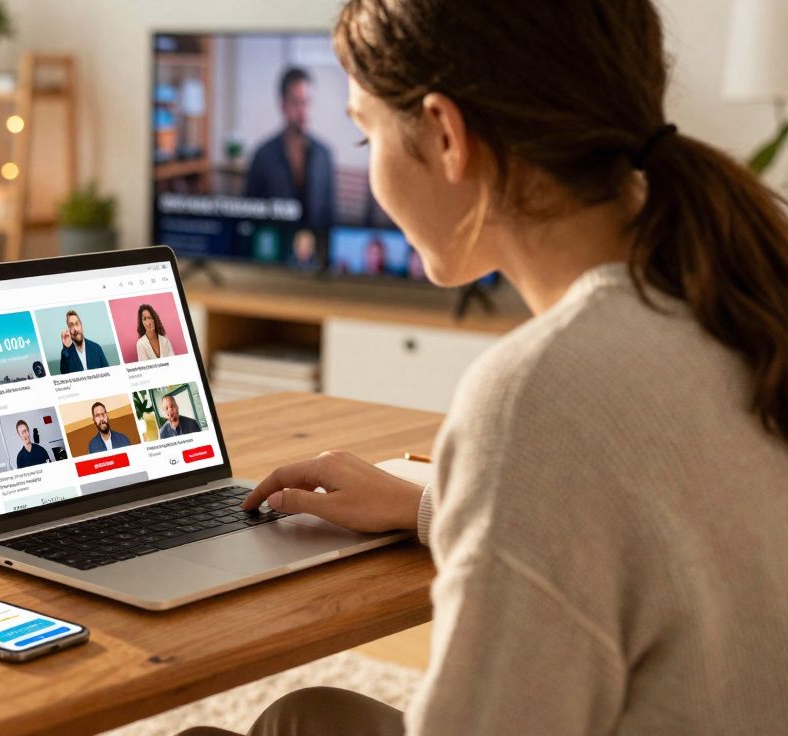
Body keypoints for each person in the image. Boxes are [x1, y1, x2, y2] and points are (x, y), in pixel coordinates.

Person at [182, 1, 788, 734]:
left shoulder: (542, 392)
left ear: (444, 134)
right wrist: (439, 504)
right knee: (307, 714)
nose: (364, 161)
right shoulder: (739, 292)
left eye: (362, 131)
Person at [245, 67, 336, 234]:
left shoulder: (324, 155)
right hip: (275, 250)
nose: (303, 111)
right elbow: (249, 215)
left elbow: (329, 215)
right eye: (296, 103)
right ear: (283, 105)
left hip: (315, 251)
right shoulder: (263, 155)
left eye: (307, 102)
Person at [58, 309, 110, 374]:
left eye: (77, 324)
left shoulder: (96, 348)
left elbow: (108, 373)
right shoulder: (66, 354)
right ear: (68, 330)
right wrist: (65, 347)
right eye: (71, 325)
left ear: (81, 325)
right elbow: (64, 374)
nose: (76, 329)